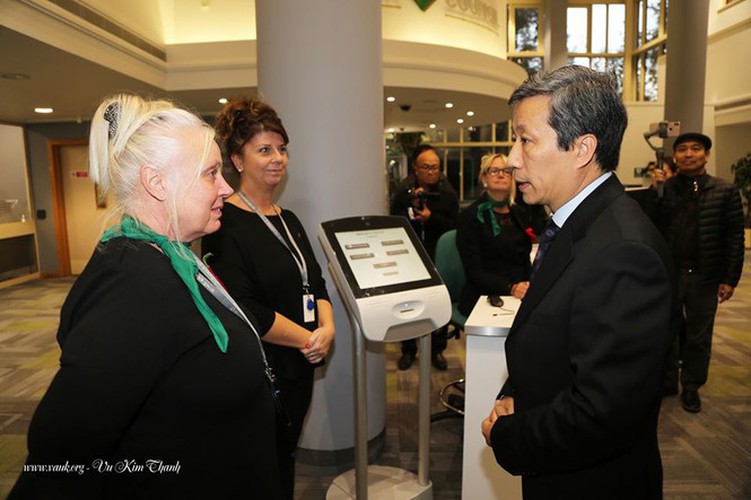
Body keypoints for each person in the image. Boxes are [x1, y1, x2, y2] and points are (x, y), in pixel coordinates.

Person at [10, 94, 283, 499]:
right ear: (156, 183)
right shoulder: (131, 284)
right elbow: (60, 449)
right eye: (210, 173)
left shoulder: (167, 254)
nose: (226, 187)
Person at [480, 66, 675, 499]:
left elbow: (601, 414)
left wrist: (510, 435)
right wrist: (519, 396)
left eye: (526, 140)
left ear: (582, 148)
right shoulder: (576, 225)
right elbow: (556, 338)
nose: (512, 159)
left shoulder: (624, 252)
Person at [201, 96, 334, 500]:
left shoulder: (288, 219)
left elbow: (318, 283)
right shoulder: (223, 223)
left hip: (302, 362)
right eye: (264, 149)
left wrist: (326, 328)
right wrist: (310, 339)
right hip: (262, 370)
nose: (278, 158)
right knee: (262, 465)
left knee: (284, 456)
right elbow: (245, 310)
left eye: (281, 149)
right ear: (237, 161)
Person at [650, 132, 744, 412]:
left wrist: (730, 278)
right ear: (675, 156)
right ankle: (666, 382)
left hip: (706, 275)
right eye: (682, 149)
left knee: (698, 335)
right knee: (665, 330)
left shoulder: (725, 191)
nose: (688, 154)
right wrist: (656, 191)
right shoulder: (666, 188)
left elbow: (734, 238)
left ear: (706, 155)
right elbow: (651, 227)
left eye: (695, 149)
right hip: (670, 275)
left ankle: (691, 386)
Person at [390, 144, 459, 370]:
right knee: (407, 307)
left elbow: (454, 227)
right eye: (426, 167)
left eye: (435, 168)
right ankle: (408, 349)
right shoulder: (403, 191)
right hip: (408, 258)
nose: (431, 172)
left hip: (437, 258)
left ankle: (436, 350)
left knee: (438, 307)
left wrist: (431, 217)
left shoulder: (448, 194)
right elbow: (393, 221)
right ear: (415, 169)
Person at [456, 153, 533, 317]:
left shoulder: (519, 212)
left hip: (520, 293)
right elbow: (474, 271)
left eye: (506, 171)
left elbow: (524, 257)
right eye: (494, 171)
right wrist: (511, 287)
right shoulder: (469, 217)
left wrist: (529, 284)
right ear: (484, 178)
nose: (501, 174)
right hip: (484, 295)